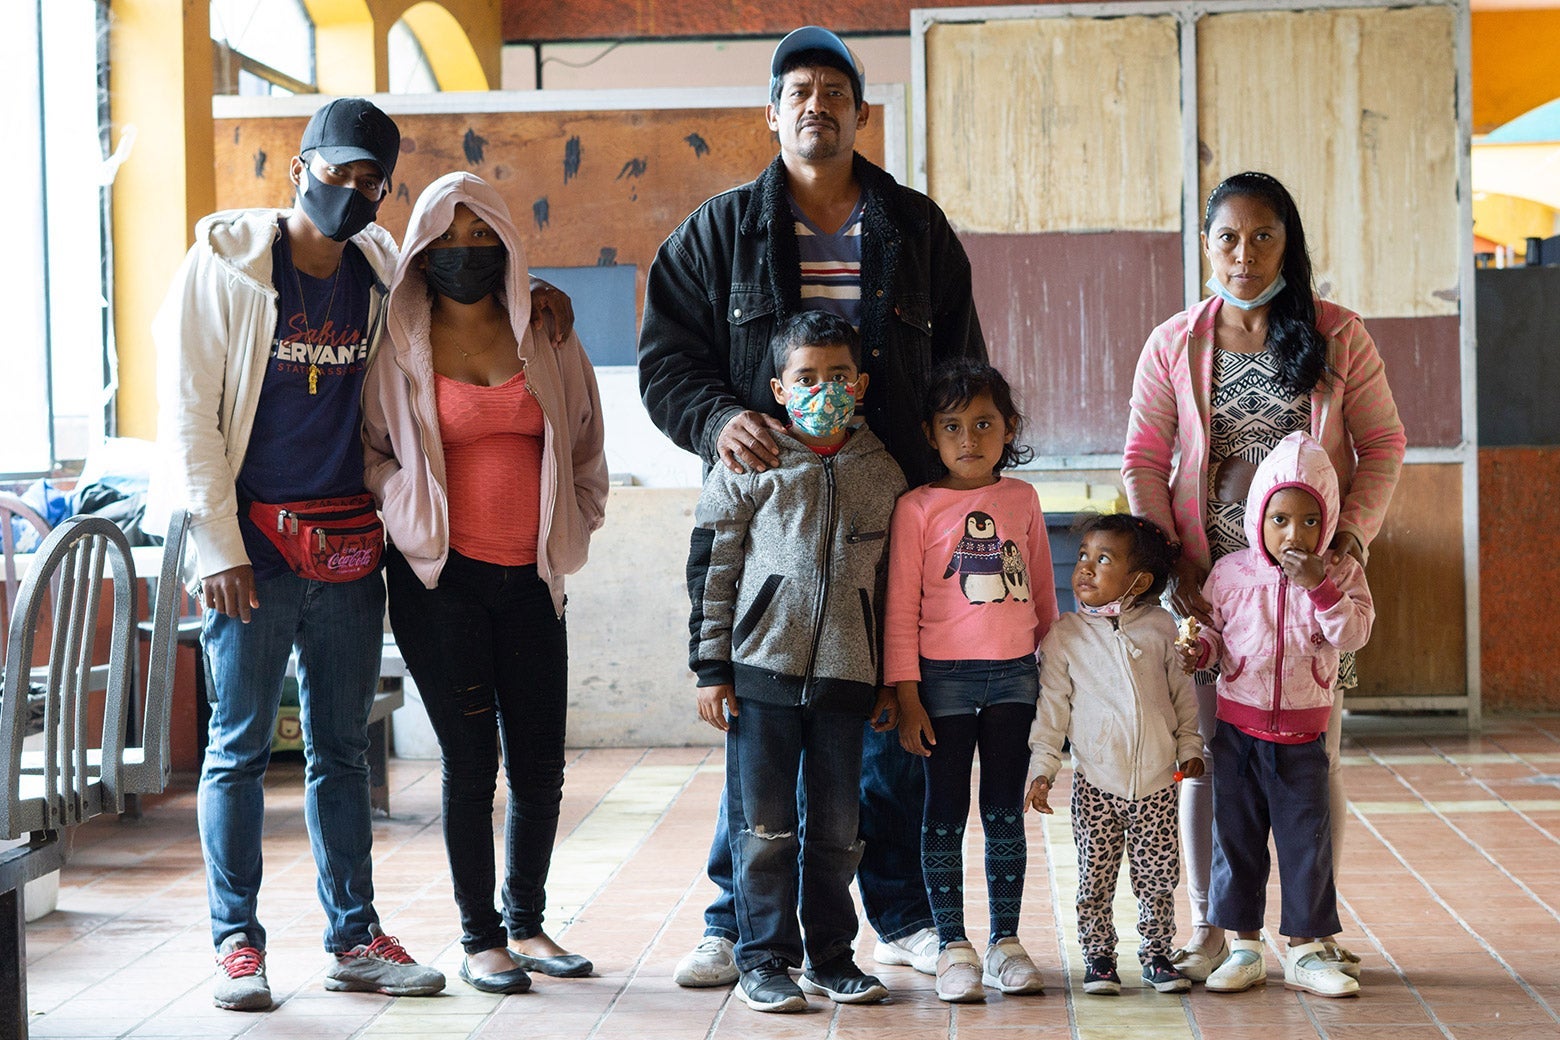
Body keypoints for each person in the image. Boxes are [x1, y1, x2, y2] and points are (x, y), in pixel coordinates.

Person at [639, 24, 986, 986]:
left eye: (835, 92)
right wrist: (718, 422)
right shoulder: (718, 231)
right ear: (771, 111)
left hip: (890, 515)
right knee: (761, 738)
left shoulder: (916, 229)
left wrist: (959, 483)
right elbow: (669, 364)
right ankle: (732, 922)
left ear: (861, 115)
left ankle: (901, 920)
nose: (815, 105)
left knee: (881, 727)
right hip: (774, 532)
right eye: (797, 92)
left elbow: (960, 364)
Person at [143, 97, 447, 1011]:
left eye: (369, 180)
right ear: (297, 167)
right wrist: (215, 546)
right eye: (335, 170)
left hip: (349, 547)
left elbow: (470, 309)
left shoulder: (382, 274)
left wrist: (538, 298)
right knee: (235, 751)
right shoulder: (224, 268)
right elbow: (190, 414)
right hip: (249, 553)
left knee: (342, 750)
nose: (347, 191)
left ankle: (354, 937)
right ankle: (237, 943)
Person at [1121, 170, 1405, 982]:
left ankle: (1312, 930)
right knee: (1209, 755)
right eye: (1227, 238)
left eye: (1263, 236)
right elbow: (1144, 454)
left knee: (1315, 756)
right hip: (1212, 592)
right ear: (1206, 245)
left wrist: (1345, 543)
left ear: (1289, 242)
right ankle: (1217, 928)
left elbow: (1383, 444)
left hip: (1311, 594)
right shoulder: (1174, 340)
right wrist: (1171, 561)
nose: (1244, 255)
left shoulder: (1338, 335)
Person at [361, 172, 608, 995]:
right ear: (423, 251)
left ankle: (528, 922)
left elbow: (582, 440)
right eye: (450, 239)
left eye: (482, 238)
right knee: (472, 762)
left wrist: (577, 516)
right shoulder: (398, 343)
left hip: (532, 577)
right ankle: (480, 938)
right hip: (441, 582)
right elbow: (372, 449)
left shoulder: (544, 328)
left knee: (541, 764)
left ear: (505, 243)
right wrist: (406, 509)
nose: (466, 252)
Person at [686, 311, 905, 1012]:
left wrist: (891, 675)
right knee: (765, 828)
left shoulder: (884, 471)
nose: (823, 390)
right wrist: (710, 667)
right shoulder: (753, 462)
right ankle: (764, 959)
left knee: (839, 833)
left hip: (848, 680)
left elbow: (897, 582)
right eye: (806, 378)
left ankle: (832, 958)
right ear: (780, 389)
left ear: (861, 383)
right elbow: (714, 566)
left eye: (838, 376)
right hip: (760, 676)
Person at [883, 360, 1056, 1003]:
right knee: (943, 814)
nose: (968, 439)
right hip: (942, 684)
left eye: (984, 424)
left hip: (1016, 679)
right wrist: (906, 695)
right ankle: (953, 944)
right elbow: (901, 608)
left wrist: (1056, 683)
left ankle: (1005, 943)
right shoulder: (917, 509)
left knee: (1005, 811)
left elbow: (1042, 596)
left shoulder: (1024, 500)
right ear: (930, 434)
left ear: (1009, 429)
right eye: (952, 426)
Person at [1177, 432, 1373, 998]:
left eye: (1310, 521)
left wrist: (1323, 590)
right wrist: (1201, 651)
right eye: (1280, 518)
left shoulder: (1341, 574)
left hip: (1302, 737)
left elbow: (1354, 633)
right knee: (1234, 841)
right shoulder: (1232, 573)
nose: (1295, 534)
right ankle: (1244, 946)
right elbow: (1217, 637)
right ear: (1258, 514)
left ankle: (1308, 951)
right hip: (1237, 732)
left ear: (1329, 521)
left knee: (1305, 843)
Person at [1025, 514, 1203, 997]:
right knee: (1094, 878)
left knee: (1158, 877)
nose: (1084, 566)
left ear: (1138, 581)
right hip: (1095, 785)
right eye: (1083, 554)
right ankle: (1099, 958)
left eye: (1102, 559)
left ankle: (1157, 955)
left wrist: (1190, 748)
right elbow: (1052, 711)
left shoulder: (1161, 628)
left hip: (1157, 785)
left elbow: (1182, 696)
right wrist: (1042, 771)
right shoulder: (1065, 636)